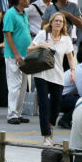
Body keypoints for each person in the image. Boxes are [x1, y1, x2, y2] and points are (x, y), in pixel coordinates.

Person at [28, 12, 77, 145]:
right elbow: (29, 49)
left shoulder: (66, 39)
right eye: (55, 20)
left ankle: (50, 125)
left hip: (57, 75)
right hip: (41, 74)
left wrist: (73, 71)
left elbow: (70, 57)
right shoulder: (43, 35)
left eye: (60, 21)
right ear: (51, 22)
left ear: (63, 25)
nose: (57, 23)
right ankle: (46, 136)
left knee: (56, 105)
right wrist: (41, 46)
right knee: (44, 105)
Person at [59, 41, 82, 128]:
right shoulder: (80, 71)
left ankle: (67, 118)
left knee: (81, 99)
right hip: (58, 98)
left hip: (62, 97)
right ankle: (65, 120)